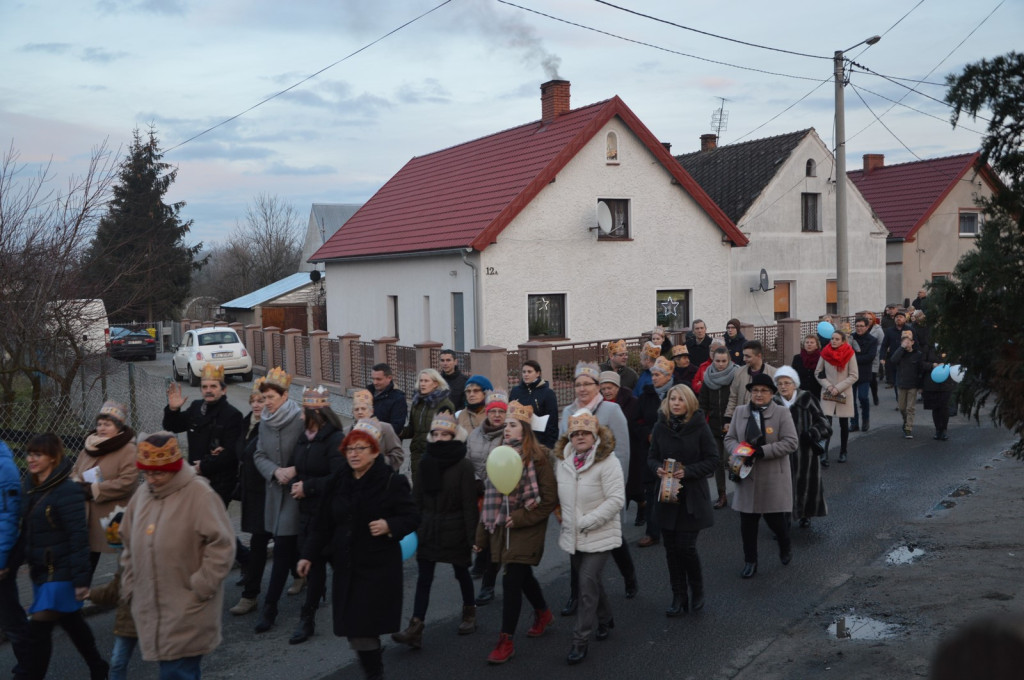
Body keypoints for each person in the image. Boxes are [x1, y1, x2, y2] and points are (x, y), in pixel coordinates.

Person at [297, 426, 420, 680]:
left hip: (377, 567)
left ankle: (374, 674)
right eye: (349, 449)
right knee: (354, 628)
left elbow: (412, 517)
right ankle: (374, 666)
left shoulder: (391, 482)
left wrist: (390, 525)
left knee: (363, 628)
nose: (353, 454)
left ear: (375, 452)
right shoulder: (338, 481)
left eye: (360, 448)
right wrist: (307, 554)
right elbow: (322, 523)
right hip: (346, 566)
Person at [120, 432, 235, 679]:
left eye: (158, 473)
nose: (151, 479)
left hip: (187, 610)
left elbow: (223, 544)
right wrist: (130, 584)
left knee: (177, 672)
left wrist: (201, 585)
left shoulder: (199, 494)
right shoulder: (142, 494)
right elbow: (127, 540)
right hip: (152, 608)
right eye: (146, 473)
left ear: (173, 468)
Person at [474, 400, 557, 665]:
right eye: (506, 425)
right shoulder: (499, 454)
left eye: (512, 424)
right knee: (522, 576)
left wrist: (520, 517)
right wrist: (480, 537)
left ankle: (506, 641)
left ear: (525, 429)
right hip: (502, 525)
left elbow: (548, 499)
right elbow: (491, 496)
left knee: (511, 580)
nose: (506, 428)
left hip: (528, 525)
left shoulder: (539, 457)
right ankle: (543, 612)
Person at [21, 433, 109, 680]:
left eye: (38, 454)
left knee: (39, 628)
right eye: (30, 454)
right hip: (41, 571)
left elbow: (78, 537)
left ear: (52, 457)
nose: (31, 459)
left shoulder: (67, 490)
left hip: (61, 572)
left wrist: (81, 580)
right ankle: (98, 666)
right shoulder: (30, 487)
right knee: (71, 622)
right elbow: (26, 529)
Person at [392, 412, 478, 649]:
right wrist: (411, 526)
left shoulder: (464, 465)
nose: (439, 438)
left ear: (454, 436)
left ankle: (470, 612)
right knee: (424, 579)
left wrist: (473, 537)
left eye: (445, 434)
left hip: (456, 528)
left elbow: (469, 505)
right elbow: (416, 499)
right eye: (436, 434)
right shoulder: (425, 462)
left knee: (461, 573)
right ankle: (416, 626)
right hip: (429, 527)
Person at [552, 409, 625, 665]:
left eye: (585, 432)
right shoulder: (563, 462)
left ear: (595, 435)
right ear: (569, 437)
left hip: (600, 533)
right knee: (591, 582)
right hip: (573, 535)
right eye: (575, 433)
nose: (580, 437)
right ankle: (605, 618)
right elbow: (558, 496)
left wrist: (587, 521)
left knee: (585, 585)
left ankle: (579, 641)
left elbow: (616, 499)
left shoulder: (608, 462)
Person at [164, 363, 245, 564]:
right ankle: (246, 560)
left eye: (213, 386)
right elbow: (172, 425)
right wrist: (173, 409)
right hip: (195, 479)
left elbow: (231, 454)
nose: (208, 390)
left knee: (208, 525)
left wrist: (204, 466)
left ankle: (229, 561)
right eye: (205, 386)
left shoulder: (232, 415)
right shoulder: (195, 408)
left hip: (221, 481)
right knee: (213, 527)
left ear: (223, 390)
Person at [649, 384, 717, 615]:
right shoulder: (660, 426)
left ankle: (697, 589)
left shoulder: (699, 426)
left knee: (686, 547)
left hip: (692, 498)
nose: (676, 403)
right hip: (668, 495)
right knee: (671, 549)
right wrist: (657, 468)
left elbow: (712, 460)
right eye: (672, 399)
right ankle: (678, 595)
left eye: (680, 399)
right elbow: (651, 457)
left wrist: (688, 471)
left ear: (689, 402)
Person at [724, 375, 799, 578]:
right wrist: (740, 450)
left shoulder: (782, 412)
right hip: (746, 475)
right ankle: (750, 561)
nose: (758, 394)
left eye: (764, 390)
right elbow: (729, 438)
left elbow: (791, 442)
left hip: (773, 475)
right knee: (747, 523)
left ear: (772, 393)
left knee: (775, 521)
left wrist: (762, 451)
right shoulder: (740, 412)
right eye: (755, 390)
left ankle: (785, 545)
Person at [288, 386, 346, 645]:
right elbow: (300, 468)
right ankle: (308, 618)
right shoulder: (303, 438)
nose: (301, 416)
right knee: (313, 566)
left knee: (338, 568)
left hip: (330, 515)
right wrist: (296, 483)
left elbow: (338, 477)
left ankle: (350, 616)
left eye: (304, 411)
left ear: (317, 413)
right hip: (307, 512)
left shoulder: (335, 439)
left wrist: (308, 487)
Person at [252, 367, 306, 633]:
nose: (266, 402)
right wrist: (275, 471)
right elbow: (259, 454)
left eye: (271, 397)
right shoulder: (264, 422)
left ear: (285, 396)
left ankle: (270, 608)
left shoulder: (301, 418)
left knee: (284, 548)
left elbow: (316, 450)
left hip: (299, 494)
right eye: (264, 398)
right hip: (276, 493)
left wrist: (295, 469)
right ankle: (311, 583)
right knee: (291, 545)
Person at [71, 400, 139, 576]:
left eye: (107, 424)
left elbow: (128, 482)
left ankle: (126, 588)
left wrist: (94, 489)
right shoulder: (89, 446)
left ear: (119, 427)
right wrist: (77, 483)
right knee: (86, 562)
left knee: (125, 561)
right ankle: (82, 588)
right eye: (99, 424)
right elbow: (75, 470)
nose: (101, 428)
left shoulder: (128, 450)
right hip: (87, 515)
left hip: (114, 515)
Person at [231, 380, 271, 616]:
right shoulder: (246, 423)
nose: (257, 405)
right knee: (258, 543)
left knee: (288, 542)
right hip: (253, 493)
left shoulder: (272, 425)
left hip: (270, 493)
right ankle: (250, 595)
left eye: (262, 400)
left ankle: (301, 575)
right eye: (254, 401)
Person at [773, 367, 830, 528]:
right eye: (780, 383)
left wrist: (812, 433)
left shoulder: (807, 399)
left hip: (805, 453)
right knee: (781, 488)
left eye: (787, 383)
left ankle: (806, 513)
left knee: (805, 484)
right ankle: (783, 519)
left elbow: (824, 424)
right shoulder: (773, 403)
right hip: (782, 453)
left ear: (795, 384)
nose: (783, 386)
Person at [466, 392, 508, 603]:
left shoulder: (509, 435)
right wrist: (475, 480)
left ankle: (488, 585)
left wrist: (492, 483)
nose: (497, 415)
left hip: (499, 493)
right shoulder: (475, 434)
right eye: (493, 411)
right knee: (480, 529)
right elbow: (467, 459)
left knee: (493, 536)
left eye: (501, 411)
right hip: (478, 491)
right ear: (487, 413)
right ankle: (480, 563)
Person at [87, 510, 138, 680]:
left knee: (169, 663)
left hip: (151, 618)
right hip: (127, 620)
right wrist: (90, 594)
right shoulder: (124, 560)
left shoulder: (149, 558)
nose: (120, 552)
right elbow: (115, 588)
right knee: (117, 662)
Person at [634, 356, 675, 547]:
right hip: (650, 451)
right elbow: (636, 421)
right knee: (650, 491)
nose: (654, 378)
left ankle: (673, 528)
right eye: (653, 375)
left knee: (670, 490)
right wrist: (647, 434)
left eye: (658, 375)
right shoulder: (646, 395)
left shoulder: (677, 394)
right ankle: (652, 532)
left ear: (668, 376)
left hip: (672, 450)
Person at [0, 441, 31, 679]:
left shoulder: (4, 468)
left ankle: (29, 668)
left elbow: (7, 518)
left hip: (2, 556)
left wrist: (1, 561)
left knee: (11, 618)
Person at [599, 371, 645, 526]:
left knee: (634, 486)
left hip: (632, 448)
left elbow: (640, 424)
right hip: (608, 452)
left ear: (617, 387)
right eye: (603, 388)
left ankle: (642, 506)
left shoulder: (633, 402)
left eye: (610, 388)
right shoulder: (599, 405)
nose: (606, 391)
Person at [698, 347, 739, 508]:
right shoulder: (708, 377)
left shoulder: (736, 375)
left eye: (724, 361)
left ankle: (741, 492)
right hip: (714, 426)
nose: (720, 364)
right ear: (712, 360)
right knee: (718, 461)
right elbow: (703, 404)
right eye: (717, 361)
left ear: (729, 361)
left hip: (734, 426)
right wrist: (700, 423)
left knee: (735, 461)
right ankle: (722, 494)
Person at [401, 368, 455, 481]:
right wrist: (395, 431)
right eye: (421, 381)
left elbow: (449, 433)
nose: (422, 384)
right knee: (418, 487)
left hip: (434, 454)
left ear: (435, 384)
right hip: (417, 454)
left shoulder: (445, 404)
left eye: (426, 381)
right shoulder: (417, 402)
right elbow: (412, 429)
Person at [816, 330, 858, 463]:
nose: (833, 341)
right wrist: (829, 386)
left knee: (844, 424)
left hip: (843, 392)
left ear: (843, 341)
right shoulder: (825, 353)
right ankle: (824, 453)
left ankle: (843, 451)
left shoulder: (850, 353)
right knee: (826, 424)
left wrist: (838, 388)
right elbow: (818, 372)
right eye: (832, 338)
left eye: (837, 339)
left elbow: (854, 375)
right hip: (828, 392)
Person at [509, 360, 560, 448]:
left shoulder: (548, 393)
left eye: (529, 372)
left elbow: (552, 421)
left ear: (538, 373)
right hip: (518, 441)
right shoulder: (515, 391)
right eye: (524, 372)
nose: (526, 374)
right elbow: (510, 415)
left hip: (539, 441)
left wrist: (549, 445)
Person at [350, 389, 404, 471]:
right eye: (356, 409)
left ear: (371, 411)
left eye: (363, 409)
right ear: (353, 412)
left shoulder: (385, 428)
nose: (360, 412)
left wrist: (379, 462)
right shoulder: (348, 431)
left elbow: (398, 454)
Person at [725, 340, 778, 420]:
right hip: (743, 419)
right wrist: (728, 418)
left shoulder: (774, 373)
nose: (744, 359)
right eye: (744, 355)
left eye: (748, 356)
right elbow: (733, 397)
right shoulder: (739, 373)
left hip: (767, 420)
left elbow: (778, 399)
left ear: (759, 356)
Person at [890, 332, 926, 439]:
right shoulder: (900, 353)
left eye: (908, 341)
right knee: (902, 407)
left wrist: (921, 386)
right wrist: (901, 348)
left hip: (913, 384)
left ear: (912, 342)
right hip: (902, 384)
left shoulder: (918, 354)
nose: (906, 343)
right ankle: (906, 421)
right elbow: (893, 360)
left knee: (910, 408)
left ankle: (908, 428)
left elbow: (921, 370)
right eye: (904, 342)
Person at [850, 317, 879, 432]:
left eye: (861, 326)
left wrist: (852, 359)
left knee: (863, 397)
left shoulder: (872, 340)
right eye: (857, 326)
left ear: (867, 327)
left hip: (864, 373)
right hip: (850, 374)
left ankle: (865, 420)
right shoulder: (851, 337)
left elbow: (870, 357)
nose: (859, 328)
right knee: (851, 400)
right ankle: (854, 423)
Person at [923, 345, 955, 441]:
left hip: (946, 382)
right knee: (935, 407)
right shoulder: (928, 348)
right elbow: (922, 363)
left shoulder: (950, 347)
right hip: (932, 382)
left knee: (944, 407)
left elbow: (956, 362)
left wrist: (946, 365)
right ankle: (937, 430)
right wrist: (932, 365)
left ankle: (944, 430)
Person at [369, 363, 408, 434]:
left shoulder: (398, 398)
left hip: (385, 439)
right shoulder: (367, 393)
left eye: (378, 379)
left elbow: (396, 427)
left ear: (389, 378)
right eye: (373, 379)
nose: (375, 382)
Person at [880, 309, 909, 393]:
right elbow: (884, 345)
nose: (898, 318)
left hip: (907, 358)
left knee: (907, 381)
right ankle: (899, 399)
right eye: (897, 317)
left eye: (901, 317)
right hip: (894, 358)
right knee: (896, 381)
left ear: (905, 319)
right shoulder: (889, 331)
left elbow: (915, 344)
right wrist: (882, 357)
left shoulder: (909, 329)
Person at [791, 334, 823, 402]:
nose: (809, 344)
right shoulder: (797, 358)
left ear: (817, 345)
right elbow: (793, 375)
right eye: (807, 342)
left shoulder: (821, 358)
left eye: (812, 342)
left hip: (817, 393)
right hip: (801, 393)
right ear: (803, 345)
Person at [865, 312, 885, 406]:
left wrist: (876, 351)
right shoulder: (861, 328)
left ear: (873, 320)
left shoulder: (877, 329)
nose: (868, 320)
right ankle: (864, 398)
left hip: (874, 357)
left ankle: (875, 396)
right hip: (863, 357)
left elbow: (882, 343)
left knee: (872, 379)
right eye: (866, 318)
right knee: (864, 379)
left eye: (870, 319)